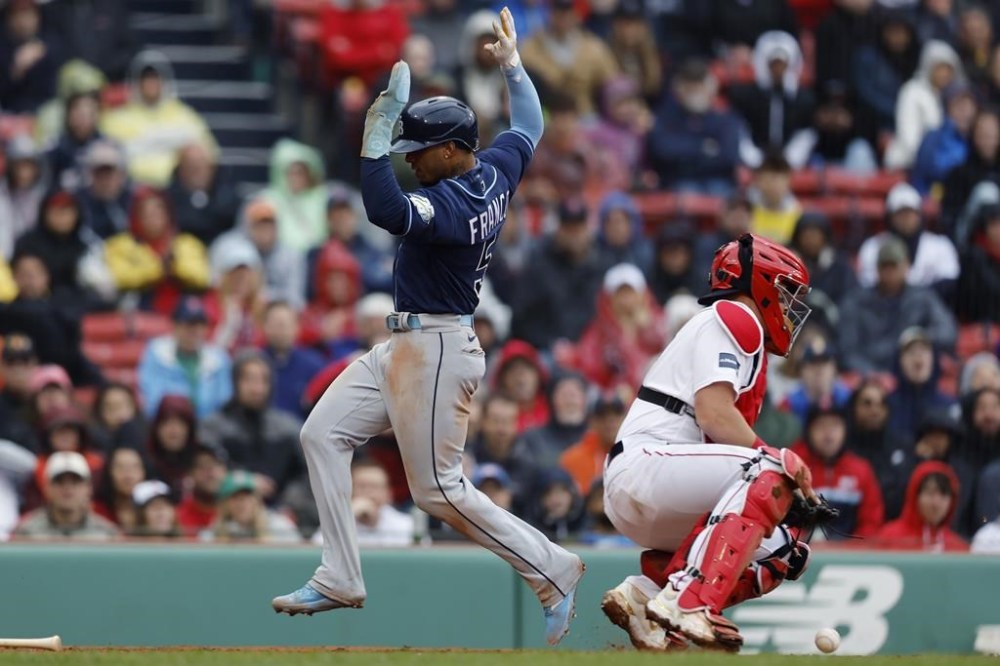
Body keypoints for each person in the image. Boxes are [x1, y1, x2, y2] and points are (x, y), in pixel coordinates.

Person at [272, 12, 584, 645]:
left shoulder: (453, 203)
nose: (409, 160)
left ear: (449, 150)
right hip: (409, 343)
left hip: (438, 346)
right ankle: (340, 575)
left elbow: (384, 208)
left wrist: (375, 133)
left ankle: (553, 568)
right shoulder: (493, 168)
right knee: (322, 434)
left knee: (438, 490)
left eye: (417, 151)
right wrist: (513, 63)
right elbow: (529, 123)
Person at [599, 233, 816, 652]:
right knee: (769, 471)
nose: (790, 306)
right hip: (645, 466)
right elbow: (714, 414)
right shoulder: (736, 315)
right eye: (785, 291)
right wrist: (782, 463)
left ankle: (646, 595)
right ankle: (689, 602)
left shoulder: (737, 329)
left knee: (785, 551)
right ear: (761, 283)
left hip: (652, 484)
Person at [198, 350, 304, 505]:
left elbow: (307, 473)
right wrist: (244, 481)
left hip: (281, 515)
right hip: (226, 510)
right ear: (235, 382)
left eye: (264, 381)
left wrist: (290, 504)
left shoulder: (288, 428)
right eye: (249, 380)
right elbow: (205, 472)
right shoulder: (213, 427)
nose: (257, 389)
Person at [839, 237, 958, 373]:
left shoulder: (923, 297)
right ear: (877, 269)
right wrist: (874, 376)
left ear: (907, 266)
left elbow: (948, 332)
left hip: (912, 373)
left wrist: (914, 338)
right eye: (885, 267)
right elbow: (848, 352)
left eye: (894, 266)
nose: (890, 273)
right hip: (872, 375)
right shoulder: (855, 302)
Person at [100, 50, 217, 188]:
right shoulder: (116, 119)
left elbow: (210, 152)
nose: (151, 84)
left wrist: (143, 144)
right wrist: (171, 141)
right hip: (131, 189)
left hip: (177, 190)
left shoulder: (185, 116)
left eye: (155, 78)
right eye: (146, 78)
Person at [103, 186, 211, 315]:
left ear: (168, 215)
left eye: (158, 213)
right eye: (146, 214)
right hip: (139, 310)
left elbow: (202, 277)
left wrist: (175, 266)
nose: (153, 218)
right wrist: (158, 268)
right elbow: (119, 278)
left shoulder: (187, 243)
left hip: (182, 311)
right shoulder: (119, 245)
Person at [647, 58, 743, 195]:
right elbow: (662, 150)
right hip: (678, 182)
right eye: (690, 88)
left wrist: (684, 151)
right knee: (686, 191)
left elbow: (730, 156)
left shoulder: (724, 118)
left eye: (699, 87)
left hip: (719, 181)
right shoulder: (665, 116)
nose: (695, 93)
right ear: (679, 89)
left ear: (711, 88)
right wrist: (702, 147)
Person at [568, 263, 665, 394]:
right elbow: (590, 369)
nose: (626, 300)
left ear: (643, 295)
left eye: (630, 293)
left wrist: (647, 330)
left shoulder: (661, 324)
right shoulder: (599, 331)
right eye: (620, 294)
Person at [789, 406, 885, 538]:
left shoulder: (861, 470)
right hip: (800, 551)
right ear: (808, 431)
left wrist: (853, 549)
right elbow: (785, 517)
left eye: (834, 426)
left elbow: (871, 522)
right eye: (821, 426)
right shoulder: (793, 467)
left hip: (850, 554)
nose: (828, 435)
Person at [727, 31, 815, 167]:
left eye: (782, 64)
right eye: (774, 64)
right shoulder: (745, 96)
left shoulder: (803, 99)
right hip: (753, 159)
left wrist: (789, 160)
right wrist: (754, 159)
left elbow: (805, 133)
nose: (778, 70)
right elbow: (740, 129)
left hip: (792, 162)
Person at [137, 296, 233, 419]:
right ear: (175, 326)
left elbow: (225, 399)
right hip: (168, 424)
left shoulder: (219, 359)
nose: (195, 331)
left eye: (200, 325)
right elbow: (152, 399)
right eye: (189, 325)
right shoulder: (157, 353)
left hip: (210, 429)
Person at [857, 183, 960, 296]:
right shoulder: (873, 247)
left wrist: (915, 297)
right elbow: (868, 285)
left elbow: (950, 282)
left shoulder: (940, 245)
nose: (906, 218)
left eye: (911, 212)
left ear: (920, 214)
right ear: (890, 217)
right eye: (900, 213)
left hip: (928, 308)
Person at [519, 0, 618, 117]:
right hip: (545, 116)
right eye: (559, 12)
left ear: (576, 14)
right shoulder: (530, 47)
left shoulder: (593, 47)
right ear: (550, 13)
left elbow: (612, 84)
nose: (563, 17)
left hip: (584, 114)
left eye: (568, 12)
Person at [885, 39, 966, 170]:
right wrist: (925, 160)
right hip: (906, 165)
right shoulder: (912, 91)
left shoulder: (950, 98)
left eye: (948, 70)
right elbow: (908, 135)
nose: (944, 74)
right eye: (940, 68)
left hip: (939, 167)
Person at [13, 451, 119, 540]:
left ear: (88, 488)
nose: (67, 488)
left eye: (75, 481)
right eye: (59, 481)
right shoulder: (26, 532)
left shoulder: (108, 534)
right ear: (47, 488)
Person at [873, 460, 968, 551]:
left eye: (944, 495)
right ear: (914, 495)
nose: (936, 503)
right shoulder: (888, 539)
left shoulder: (959, 548)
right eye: (930, 493)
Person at [885, 327, 957, 441]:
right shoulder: (886, 407)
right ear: (899, 362)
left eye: (924, 351)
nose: (918, 357)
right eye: (911, 352)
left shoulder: (950, 406)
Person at [260, 300, 326, 419]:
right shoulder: (254, 363)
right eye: (275, 324)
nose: (280, 331)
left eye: (284, 325)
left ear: (296, 327)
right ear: (264, 327)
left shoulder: (313, 365)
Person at [165, 142, 240, 246]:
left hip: (219, 244)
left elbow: (230, 215)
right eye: (191, 166)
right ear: (181, 169)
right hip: (182, 246)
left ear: (211, 168)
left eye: (202, 165)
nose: (198, 171)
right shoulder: (169, 196)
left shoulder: (225, 189)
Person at [262, 139, 328, 254]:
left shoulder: (322, 197)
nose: (295, 178)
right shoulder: (268, 199)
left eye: (300, 173)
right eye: (291, 173)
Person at [518, 371, 591, 471]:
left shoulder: (599, 438)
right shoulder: (533, 439)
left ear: (585, 399)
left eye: (575, 393)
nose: (570, 399)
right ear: (551, 399)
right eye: (564, 393)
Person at [560, 393, 627, 497]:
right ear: (592, 421)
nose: (610, 420)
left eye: (616, 414)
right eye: (602, 415)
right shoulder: (572, 459)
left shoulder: (638, 455)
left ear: (626, 419)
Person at [0, 0, 59, 113]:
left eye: (28, 14)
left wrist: (42, 49)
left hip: (44, 111)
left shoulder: (50, 40)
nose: (23, 22)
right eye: (17, 15)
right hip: (9, 113)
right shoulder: (3, 46)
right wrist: (15, 69)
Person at [209, 470, 299, 543]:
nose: (241, 503)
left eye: (246, 497)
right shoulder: (213, 531)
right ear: (225, 504)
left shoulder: (279, 525)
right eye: (235, 498)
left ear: (257, 500)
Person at [75, 140, 134, 241]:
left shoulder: (134, 200)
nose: (104, 180)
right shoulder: (78, 202)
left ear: (121, 174)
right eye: (99, 173)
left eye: (109, 173)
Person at [0, 135, 46, 260]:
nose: (23, 173)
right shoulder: (2, 195)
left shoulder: (43, 195)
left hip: (35, 260)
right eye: (19, 166)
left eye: (29, 166)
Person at [956, 202, 1000, 322]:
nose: (998, 230)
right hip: (980, 323)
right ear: (984, 228)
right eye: (994, 224)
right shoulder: (974, 256)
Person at [146, 394, 199, 492]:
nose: (174, 431)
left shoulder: (200, 461)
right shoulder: (144, 464)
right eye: (167, 423)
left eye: (180, 423)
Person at [748, 152, 801, 245]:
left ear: (788, 181)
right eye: (767, 179)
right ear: (757, 181)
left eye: (776, 179)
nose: (772, 185)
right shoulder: (747, 211)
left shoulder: (798, 215)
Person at [175, 442, 227, 536]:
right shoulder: (178, 517)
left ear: (225, 471)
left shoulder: (239, 511)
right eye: (202, 466)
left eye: (216, 464)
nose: (210, 473)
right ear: (190, 474)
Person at [92, 446, 148, 531]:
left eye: (134, 467)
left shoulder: (152, 511)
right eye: (120, 467)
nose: (128, 475)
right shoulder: (96, 511)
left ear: (143, 472)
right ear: (109, 472)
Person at [89, 382, 146, 452]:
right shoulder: (92, 443)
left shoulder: (148, 439)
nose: (117, 413)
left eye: (121, 406)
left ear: (134, 407)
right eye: (111, 408)